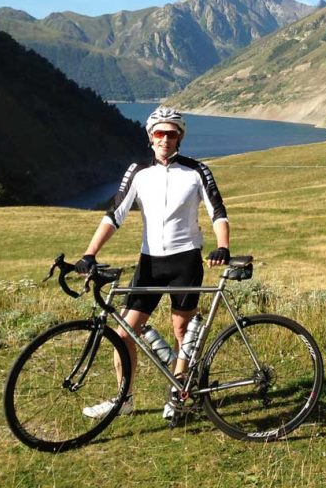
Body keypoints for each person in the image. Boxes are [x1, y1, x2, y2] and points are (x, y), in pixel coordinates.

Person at [75, 105, 231, 419]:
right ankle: (124, 399)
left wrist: (223, 246)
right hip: (149, 262)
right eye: (159, 133)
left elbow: (218, 211)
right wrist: (89, 253)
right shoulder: (138, 171)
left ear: (180, 137)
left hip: (186, 260)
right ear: (150, 137)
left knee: (182, 329)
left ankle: (180, 393)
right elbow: (114, 215)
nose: (165, 139)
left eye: (171, 133)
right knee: (125, 332)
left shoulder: (196, 171)